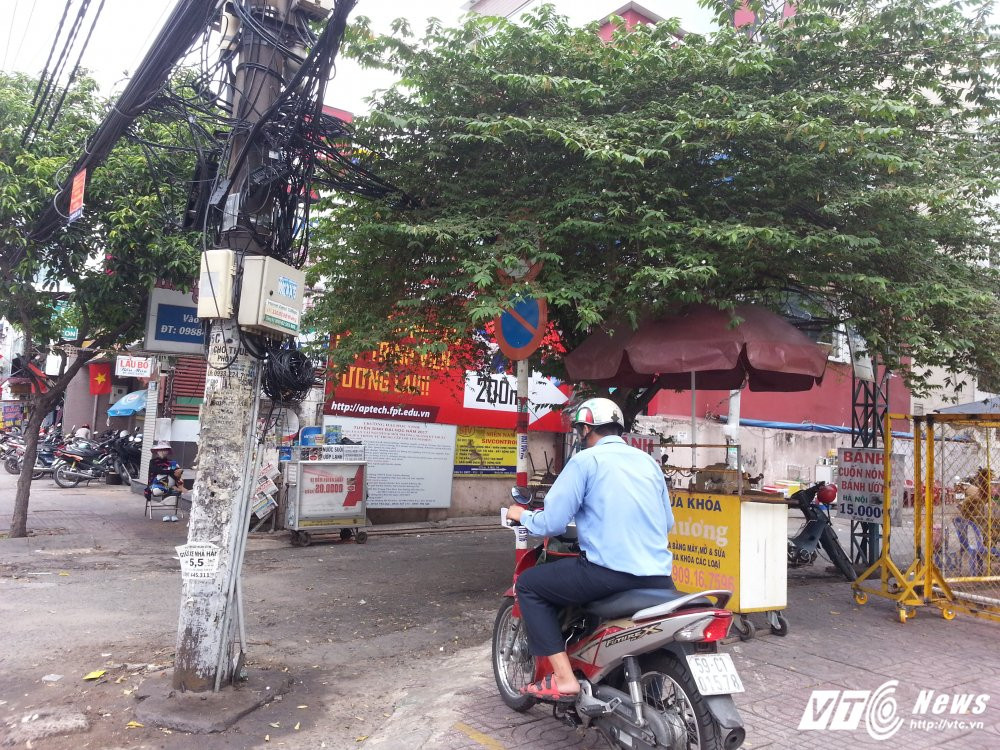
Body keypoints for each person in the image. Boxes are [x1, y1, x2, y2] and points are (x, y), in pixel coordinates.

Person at [504, 397, 675, 701]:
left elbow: (553, 523)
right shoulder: (648, 463)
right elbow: (667, 523)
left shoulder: (586, 461)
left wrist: (522, 515)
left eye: (580, 429)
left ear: (585, 430)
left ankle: (564, 678)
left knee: (530, 585)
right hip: (660, 578)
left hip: (607, 575)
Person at [146, 442, 185, 521]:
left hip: (171, 485)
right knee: (157, 488)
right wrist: (170, 471)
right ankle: (167, 488)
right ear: (158, 451)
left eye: (166, 450)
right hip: (156, 484)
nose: (164, 452)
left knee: (177, 478)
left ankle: (171, 488)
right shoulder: (153, 462)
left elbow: (177, 473)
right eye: (162, 450)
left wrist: (178, 471)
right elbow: (156, 470)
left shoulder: (171, 462)